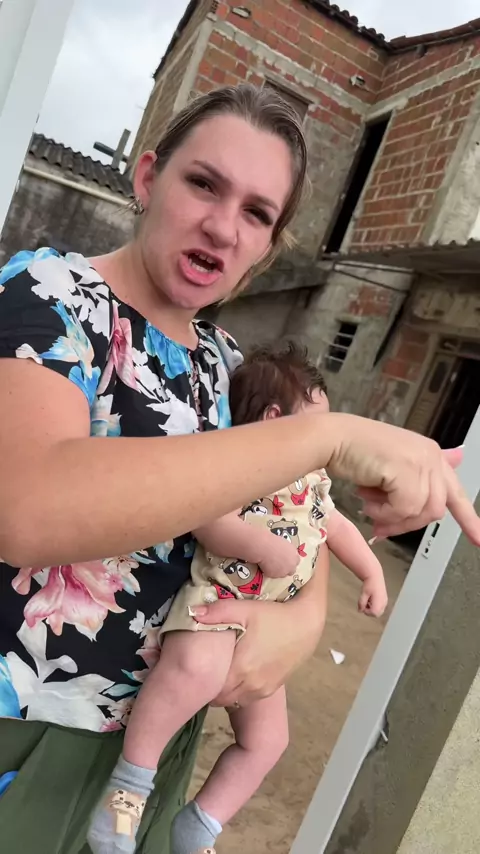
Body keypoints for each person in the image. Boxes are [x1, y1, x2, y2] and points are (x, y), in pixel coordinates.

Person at [0, 84, 477, 854]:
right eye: (203, 184)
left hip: (155, 738)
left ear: (268, 247)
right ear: (148, 177)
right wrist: (323, 438)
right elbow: (26, 508)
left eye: (257, 213)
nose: (223, 227)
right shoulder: (49, 294)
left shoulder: (227, 365)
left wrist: (300, 623)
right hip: (29, 725)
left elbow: (288, 521)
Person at [87, 341, 388, 854]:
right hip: (216, 605)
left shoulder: (312, 479)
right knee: (194, 673)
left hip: (269, 624)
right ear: (274, 419)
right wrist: (261, 548)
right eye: (316, 427)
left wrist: (373, 572)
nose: (324, 445)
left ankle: (202, 824)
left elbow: (337, 528)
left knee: (269, 740)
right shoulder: (244, 468)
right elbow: (208, 518)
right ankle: (127, 792)